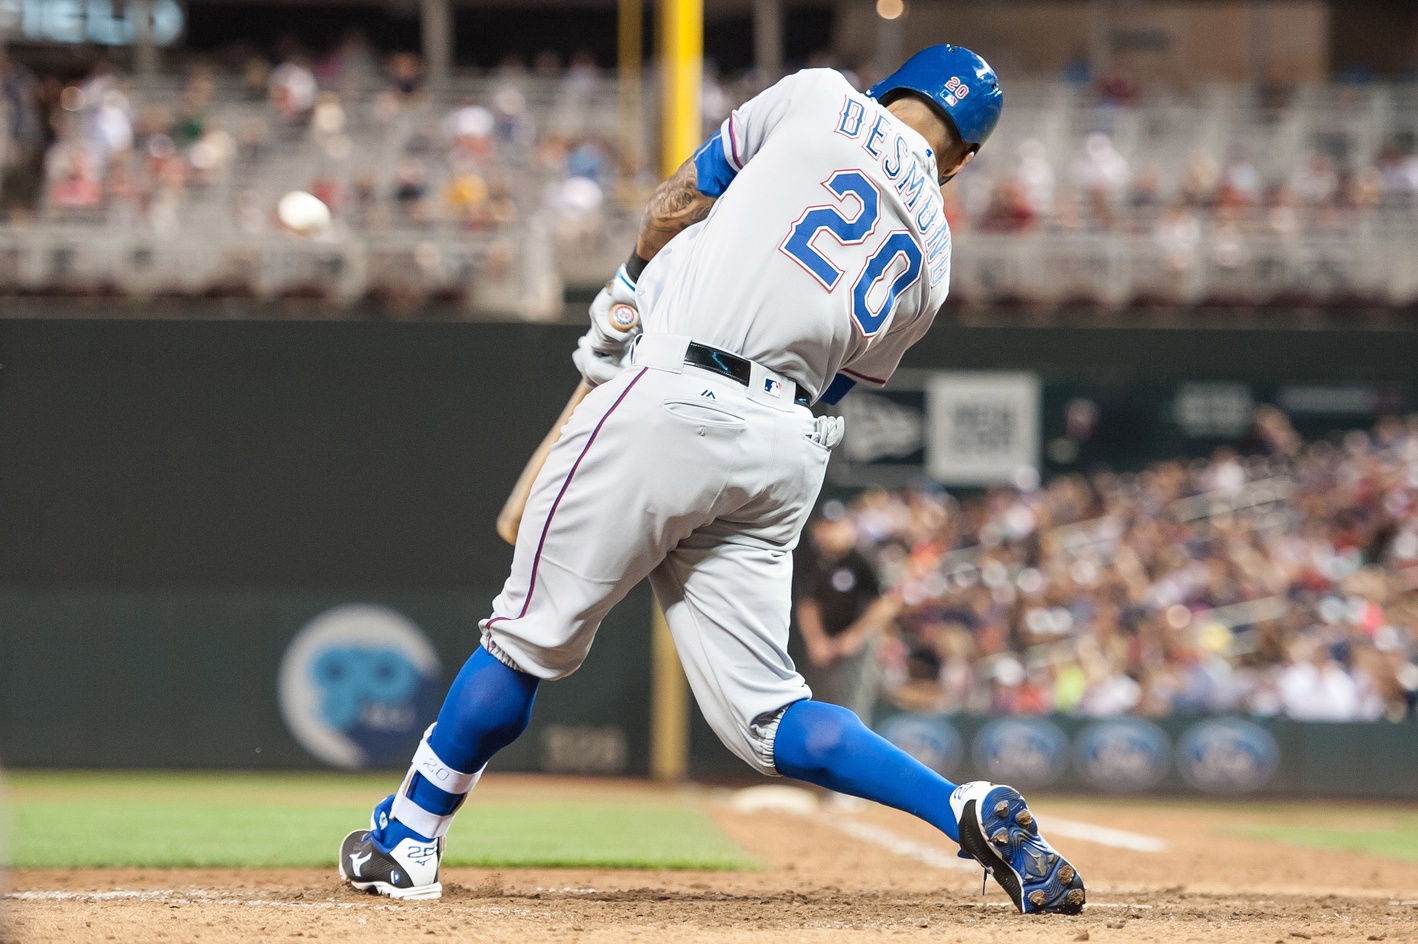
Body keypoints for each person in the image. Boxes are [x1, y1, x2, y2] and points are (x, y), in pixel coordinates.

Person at [338, 45, 1085, 916]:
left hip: (675, 397)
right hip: (785, 450)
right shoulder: (934, 262)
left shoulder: (817, 97)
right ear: (963, 158)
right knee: (769, 720)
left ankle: (408, 836)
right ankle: (958, 806)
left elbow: (684, 199)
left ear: (893, 87)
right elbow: (832, 379)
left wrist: (628, 283)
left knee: (524, 641)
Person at [794, 502, 900, 723]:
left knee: (853, 707)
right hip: (826, 643)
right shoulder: (812, 560)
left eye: (835, 525)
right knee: (818, 704)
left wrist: (854, 636)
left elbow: (887, 602)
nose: (829, 532)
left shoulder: (862, 558)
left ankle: (855, 755)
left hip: (857, 645)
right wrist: (816, 641)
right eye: (824, 526)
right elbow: (807, 604)